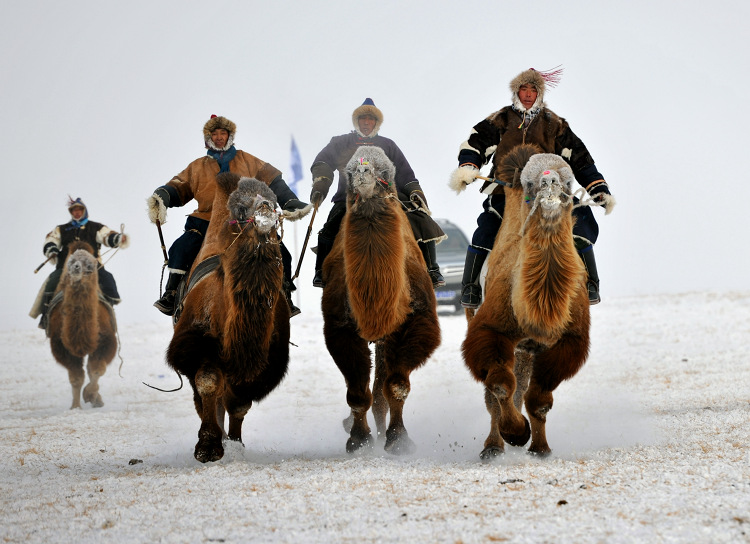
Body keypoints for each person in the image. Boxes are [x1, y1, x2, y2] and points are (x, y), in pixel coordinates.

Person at [449, 67, 616, 308]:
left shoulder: (554, 124)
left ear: (540, 94)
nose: (528, 94)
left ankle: (591, 282)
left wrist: (597, 187)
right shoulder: (500, 119)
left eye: (533, 90)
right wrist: (468, 166)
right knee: (486, 229)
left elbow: (580, 158)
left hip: (549, 190)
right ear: (516, 92)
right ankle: (471, 287)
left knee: (579, 218)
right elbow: (475, 144)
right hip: (506, 191)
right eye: (523, 89)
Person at [147, 114, 311, 317]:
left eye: (222, 133)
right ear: (208, 138)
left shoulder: (248, 160)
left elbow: (273, 179)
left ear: (229, 135)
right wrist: (162, 196)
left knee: (279, 250)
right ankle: (172, 294)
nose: (218, 137)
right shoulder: (197, 167)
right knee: (180, 248)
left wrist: (288, 201)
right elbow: (178, 187)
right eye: (214, 134)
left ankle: (284, 293)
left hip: (244, 222)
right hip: (205, 222)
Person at [309, 98, 446, 289]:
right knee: (330, 226)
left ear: (376, 123)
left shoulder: (388, 145)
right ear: (356, 121)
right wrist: (321, 185)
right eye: (362, 118)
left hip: (386, 197)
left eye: (370, 119)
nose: (366, 122)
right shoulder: (340, 142)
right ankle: (321, 271)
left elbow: (405, 173)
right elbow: (322, 162)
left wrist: (415, 192)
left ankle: (431, 268)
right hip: (348, 197)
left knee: (421, 219)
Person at [30, 197, 129, 329]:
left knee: (108, 279)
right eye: (74, 210)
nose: (76, 212)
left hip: (92, 266)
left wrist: (117, 238)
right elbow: (51, 241)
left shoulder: (96, 227)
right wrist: (52, 249)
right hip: (66, 267)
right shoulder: (61, 229)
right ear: (71, 212)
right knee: (52, 282)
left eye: (79, 209)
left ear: (84, 210)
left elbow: (107, 236)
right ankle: (46, 314)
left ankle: (108, 312)